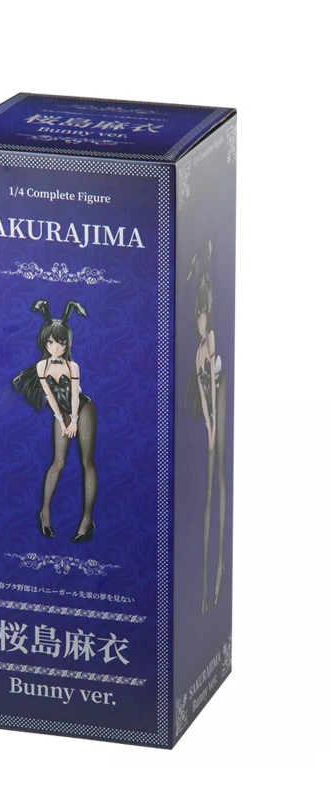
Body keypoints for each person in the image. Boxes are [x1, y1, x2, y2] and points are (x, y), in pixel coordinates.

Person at [11, 299, 98, 542]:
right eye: (51, 342)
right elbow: (49, 396)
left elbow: (74, 396)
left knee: (87, 461)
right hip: (61, 412)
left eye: (61, 343)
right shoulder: (42, 366)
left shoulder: (73, 366)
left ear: (67, 343)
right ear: (45, 341)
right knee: (58, 462)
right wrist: (61, 420)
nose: (56, 347)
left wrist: (74, 420)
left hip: (82, 408)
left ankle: (87, 521)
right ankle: (45, 512)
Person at [184, 243, 227, 614]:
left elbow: (213, 388)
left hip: (222, 399)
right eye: (197, 312)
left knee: (220, 477)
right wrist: (208, 425)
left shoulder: (210, 341)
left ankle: (219, 568)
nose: (201, 317)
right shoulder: (198, 349)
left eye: (204, 311)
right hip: (211, 413)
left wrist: (215, 422)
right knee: (208, 488)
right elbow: (200, 392)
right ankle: (205, 585)